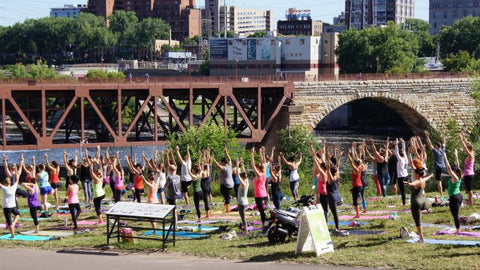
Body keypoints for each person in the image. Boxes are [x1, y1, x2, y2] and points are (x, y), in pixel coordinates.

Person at [404, 164, 433, 243]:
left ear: (417, 174)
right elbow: (426, 178)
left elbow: (413, 184)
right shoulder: (422, 180)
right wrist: (431, 175)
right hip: (422, 201)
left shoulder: (417, 181)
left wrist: (408, 183)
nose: (413, 174)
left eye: (414, 173)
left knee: (418, 222)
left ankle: (421, 239)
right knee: (423, 211)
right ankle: (425, 210)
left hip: (415, 203)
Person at [1, 154, 24, 238]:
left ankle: (12, 227)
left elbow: (20, 168)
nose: (13, 169)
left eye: (14, 167)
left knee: (15, 211)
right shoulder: (11, 175)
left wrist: (21, 161)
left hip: (14, 191)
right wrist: (5, 160)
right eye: (12, 168)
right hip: (13, 191)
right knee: (16, 210)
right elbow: (6, 168)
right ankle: (12, 225)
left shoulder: (15, 174)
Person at [444, 150, 463, 234]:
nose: (450, 171)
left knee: (455, 215)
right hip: (458, 196)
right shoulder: (458, 174)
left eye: (452, 170)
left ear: (454, 171)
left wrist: (445, 157)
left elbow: (448, 168)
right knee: (456, 214)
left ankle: (458, 230)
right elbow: (457, 165)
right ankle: (458, 228)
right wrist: (456, 155)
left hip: (454, 197)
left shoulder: (455, 176)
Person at [251, 147, 269, 229]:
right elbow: (264, 162)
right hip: (264, 194)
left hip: (259, 195)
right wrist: (262, 153)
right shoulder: (264, 173)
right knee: (263, 211)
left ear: (258, 168)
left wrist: (252, 154)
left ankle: (264, 225)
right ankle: (266, 223)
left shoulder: (259, 174)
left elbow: (252, 165)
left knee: (261, 212)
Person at [212, 148, 234, 213]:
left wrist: (213, 159)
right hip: (231, 184)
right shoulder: (230, 166)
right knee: (224, 193)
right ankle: (227, 201)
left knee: (226, 197)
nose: (221, 164)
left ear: (224, 163)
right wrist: (226, 153)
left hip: (226, 185)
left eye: (221, 163)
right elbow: (229, 159)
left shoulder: (224, 168)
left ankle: (227, 210)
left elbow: (218, 166)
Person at [425, 130, 446, 196]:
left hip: (438, 168)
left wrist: (427, 137)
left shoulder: (436, 152)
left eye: (435, 146)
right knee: (440, 180)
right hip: (443, 167)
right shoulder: (443, 150)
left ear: (437, 146)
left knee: (438, 182)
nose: (434, 147)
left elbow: (430, 145)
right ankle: (441, 192)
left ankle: (441, 194)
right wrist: (443, 134)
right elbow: (444, 142)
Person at [87, 156, 105, 224]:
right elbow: (101, 170)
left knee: (97, 208)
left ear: (97, 173)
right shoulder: (101, 177)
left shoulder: (96, 179)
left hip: (97, 195)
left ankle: (100, 221)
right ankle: (100, 219)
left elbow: (91, 172)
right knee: (99, 206)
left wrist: (91, 164)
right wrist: (99, 163)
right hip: (102, 194)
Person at [459, 132, 475, 206]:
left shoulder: (470, 155)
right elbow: (467, 145)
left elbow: (465, 148)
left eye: (467, 148)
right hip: (468, 173)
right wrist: (463, 137)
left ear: (469, 149)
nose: (465, 149)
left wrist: (461, 139)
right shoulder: (472, 153)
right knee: (468, 189)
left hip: (468, 174)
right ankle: (470, 201)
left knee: (469, 189)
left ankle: (470, 202)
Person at [347, 147, 363, 219]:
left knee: (355, 201)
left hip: (357, 185)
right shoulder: (360, 167)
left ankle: (357, 214)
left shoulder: (356, 169)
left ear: (356, 163)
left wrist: (348, 155)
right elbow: (357, 160)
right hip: (358, 185)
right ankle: (359, 198)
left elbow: (351, 163)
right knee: (352, 192)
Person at [394, 138, 409, 206]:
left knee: (402, 191)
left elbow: (396, 152)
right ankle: (405, 201)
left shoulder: (399, 159)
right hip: (406, 176)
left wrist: (396, 143)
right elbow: (404, 150)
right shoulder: (405, 157)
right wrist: (403, 142)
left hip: (401, 176)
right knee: (405, 190)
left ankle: (404, 203)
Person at [236, 159, 249, 236]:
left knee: (243, 217)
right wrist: (242, 164)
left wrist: (237, 165)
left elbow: (238, 174)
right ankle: (245, 230)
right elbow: (244, 173)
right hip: (245, 201)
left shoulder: (243, 184)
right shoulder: (246, 181)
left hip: (241, 202)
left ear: (242, 177)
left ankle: (245, 231)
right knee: (243, 217)